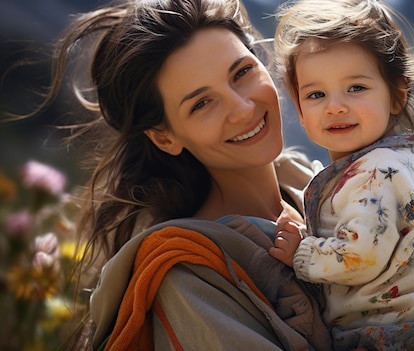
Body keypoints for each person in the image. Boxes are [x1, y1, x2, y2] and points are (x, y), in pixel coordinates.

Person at [25, 0, 333, 350]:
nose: (243, 108)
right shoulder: (189, 275)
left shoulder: (322, 188)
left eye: (242, 72)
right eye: (202, 103)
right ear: (165, 137)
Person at [269, 0, 414, 349]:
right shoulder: (403, 159)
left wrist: (302, 253)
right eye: (316, 94)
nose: (335, 105)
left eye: (356, 88)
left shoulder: (376, 173)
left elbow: (362, 255)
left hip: (400, 330)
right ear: (301, 112)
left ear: (397, 96)